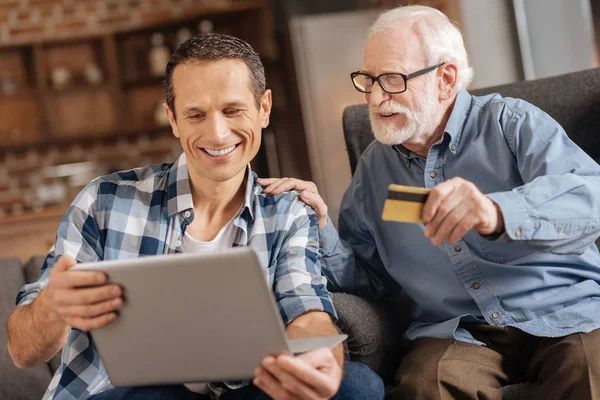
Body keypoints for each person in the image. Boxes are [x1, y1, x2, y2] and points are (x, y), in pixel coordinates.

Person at [6, 34, 384, 400]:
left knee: (356, 387)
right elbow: (23, 351)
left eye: (232, 110)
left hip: (246, 388)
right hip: (123, 393)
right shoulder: (103, 201)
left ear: (263, 109)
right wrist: (52, 307)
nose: (217, 134)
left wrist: (319, 360)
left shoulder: (287, 210)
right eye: (196, 114)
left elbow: (307, 311)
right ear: (173, 119)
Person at [259, 5, 600, 400]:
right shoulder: (374, 168)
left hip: (563, 311)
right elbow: (369, 279)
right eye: (367, 79)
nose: (374, 96)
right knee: (427, 385)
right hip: (462, 331)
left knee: (591, 369)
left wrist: (499, 211)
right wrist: (321, 227)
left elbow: (589, 195)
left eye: (391, 79)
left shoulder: (511, 123)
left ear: (446, 78)